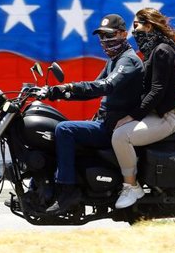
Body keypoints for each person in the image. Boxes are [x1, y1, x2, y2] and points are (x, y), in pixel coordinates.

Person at [39, 13, 144, 215]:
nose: (105, 41)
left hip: (112, 128)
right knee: (54, 128)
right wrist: (56, 92)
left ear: (124, 34)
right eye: (102, 37)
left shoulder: (128, 61)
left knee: (65, 129)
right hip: (105, 123)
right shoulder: (114, 60)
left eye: (109, 35)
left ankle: (67, 191)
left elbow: (104, 86)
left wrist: (63, 88)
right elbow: (90, 90)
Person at [111, 7, 175, 209]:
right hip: (155, 114)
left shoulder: (162, 51)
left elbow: (156, 92)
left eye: (136, 26)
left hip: (165, 118)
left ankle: (131, 186)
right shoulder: (155, 50)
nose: (134, 32)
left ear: (149, 26)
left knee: (120, 136)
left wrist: (131, 117)